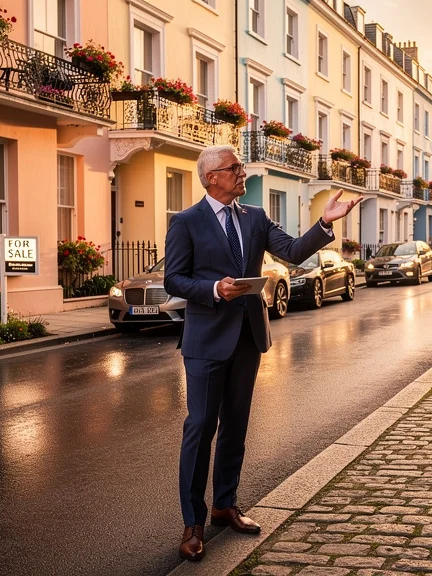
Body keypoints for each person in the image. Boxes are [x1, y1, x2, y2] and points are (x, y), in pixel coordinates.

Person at [164, 145, 360, 562]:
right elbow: (175, 280)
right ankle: (192, 523)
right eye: (234, 168)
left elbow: (290, 251)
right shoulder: (186, 222)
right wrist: (215, 289)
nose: (242, 173)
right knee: (200, 427)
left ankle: (225, 505)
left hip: (248, 337)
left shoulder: (254, 217)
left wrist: (325, 222)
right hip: (205, 342)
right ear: (211, 176)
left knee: (235, 426)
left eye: (240, 166)